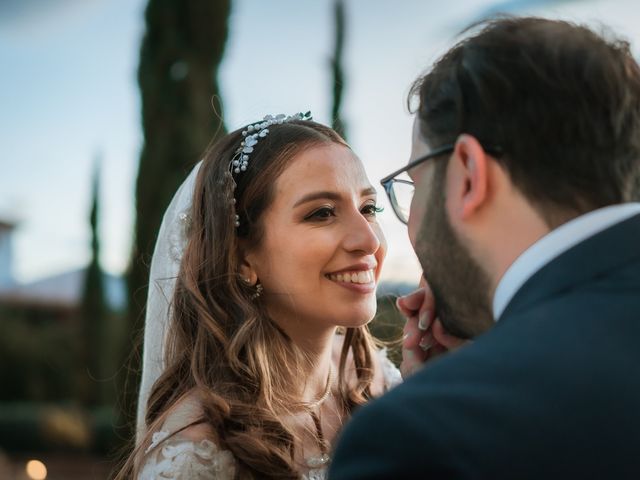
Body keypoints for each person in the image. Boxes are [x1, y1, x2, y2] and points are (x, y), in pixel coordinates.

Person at [329, 17, 640, 479]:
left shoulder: (422, 437)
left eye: (415, 183)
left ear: (468, 174)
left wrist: (449, 392)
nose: (374, 239)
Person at [115, 113, 402, 480]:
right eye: (323, 213)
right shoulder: (199, 452)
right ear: (242, 257)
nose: (369, 240)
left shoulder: (374, 376)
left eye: (368, 208)